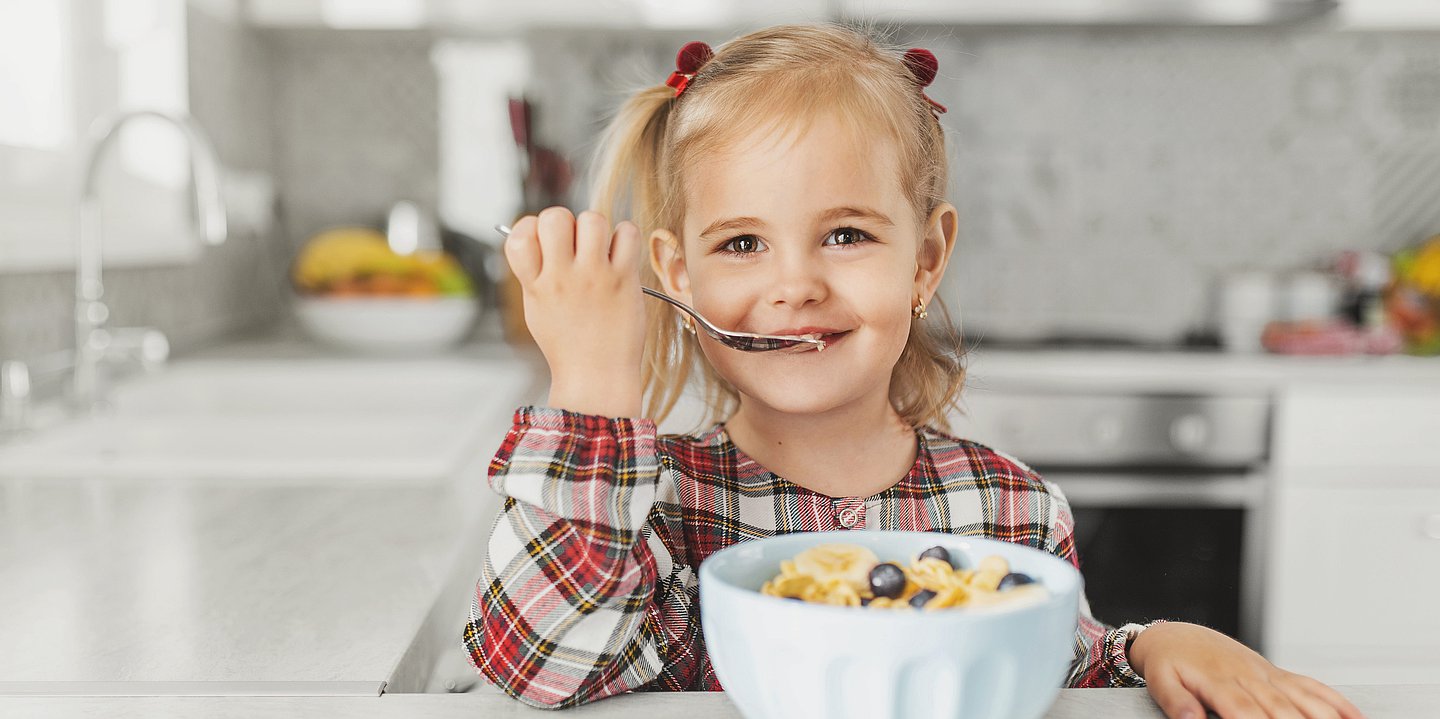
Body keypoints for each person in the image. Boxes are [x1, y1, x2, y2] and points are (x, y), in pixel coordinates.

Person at [465, 23, 1364, 719]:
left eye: (846, 235)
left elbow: (1061, 669)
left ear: (926, 259)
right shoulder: (646, 511)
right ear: (677, 276)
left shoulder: (1011, 509)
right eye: (741, 243)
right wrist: (588, 393)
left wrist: (1159, 644)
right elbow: (541, 662)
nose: (795, 285)